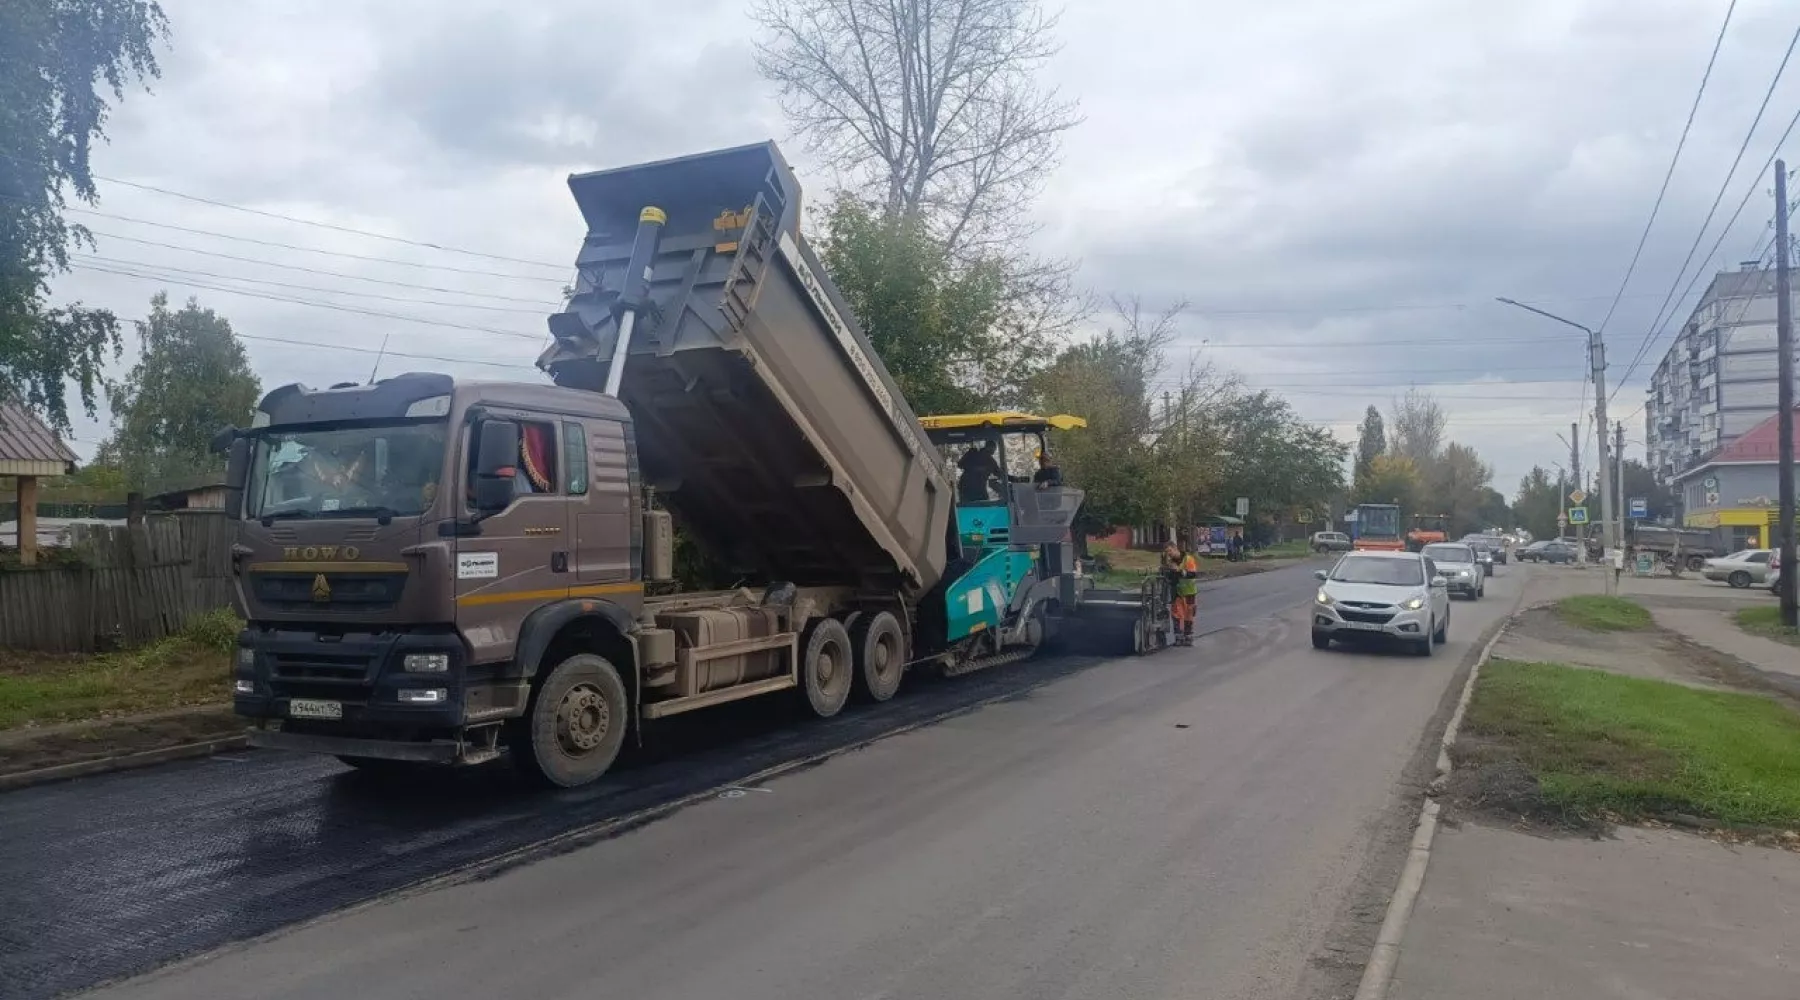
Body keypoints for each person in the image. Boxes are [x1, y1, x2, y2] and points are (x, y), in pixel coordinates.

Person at [1162, 538, 1200, 644]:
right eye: (1166, 552)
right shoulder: (1170, 562)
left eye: (1169, 551)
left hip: (1189, 592)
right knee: (1176, 614)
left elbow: (1193, 574)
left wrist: (1178, 571)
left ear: (1175, 548)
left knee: (1189, 614)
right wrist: (1167, 571)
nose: (1169, 554)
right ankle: (1178, 636)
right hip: (1177, 592)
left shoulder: (1188, 559)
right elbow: (1170, 578)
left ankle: (1188, 636)